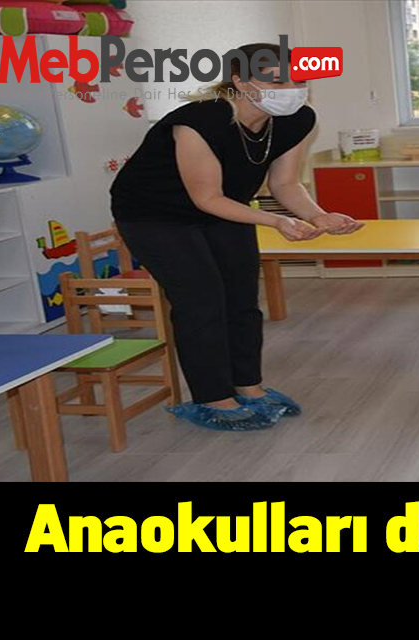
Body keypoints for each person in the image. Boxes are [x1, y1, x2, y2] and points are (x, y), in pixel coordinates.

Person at [110, 42, 363, 431]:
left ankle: (249, 388)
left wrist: (318, 215)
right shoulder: (199, 121)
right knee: (201, 299)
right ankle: (212, 398)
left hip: (226, 206)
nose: (293, 89)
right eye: (278, 81)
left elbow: (285, 183)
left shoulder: (297, 119)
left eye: (299, 80)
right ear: (241, 82)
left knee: (242, 298)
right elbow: (206, 198)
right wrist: (275, 222)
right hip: (156, 215)